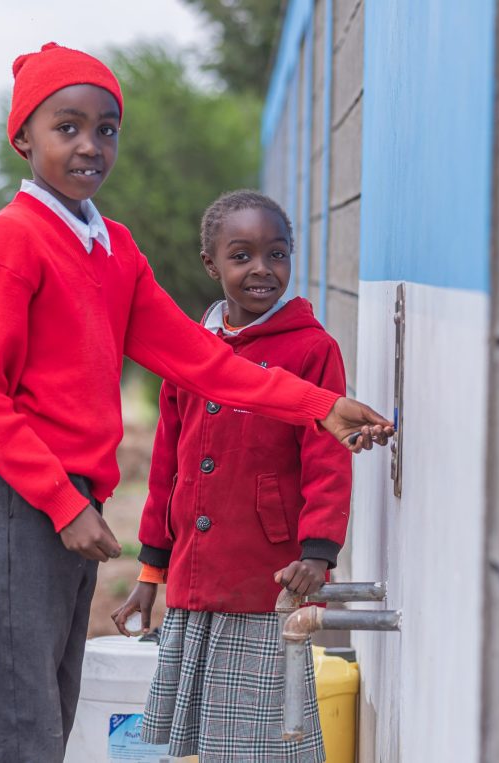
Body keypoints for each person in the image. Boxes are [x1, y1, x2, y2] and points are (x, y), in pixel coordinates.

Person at [0, 44, 391, 763]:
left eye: (108, 128)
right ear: (23, 137)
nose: (92, 145)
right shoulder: (14, 238)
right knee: (18, 709)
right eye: (68, 127)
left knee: (54, 701)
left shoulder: (112, 247)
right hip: (20, 491)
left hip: (69, 497)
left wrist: (320, 406)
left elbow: (204, 362)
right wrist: (63, 503)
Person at [111, 190, 349, 762]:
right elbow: (167, 465)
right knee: (200, 745)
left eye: (277, 254)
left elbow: (327, 461)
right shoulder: (190, 352)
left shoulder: (312, 350)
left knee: (260, 742)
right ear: (211, 264)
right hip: (194, 580)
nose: (262, 269)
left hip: (264, 580)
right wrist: (151, 569)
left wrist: (318, 552)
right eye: (242, 256)